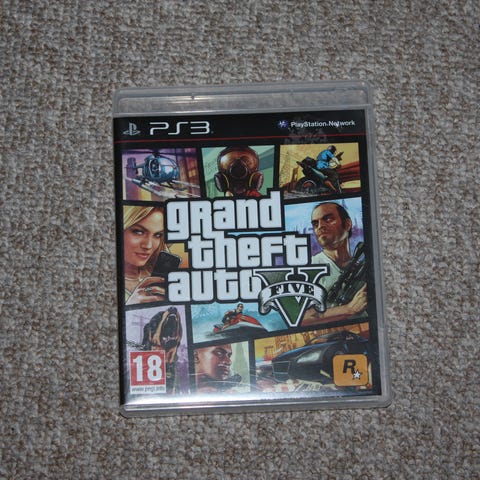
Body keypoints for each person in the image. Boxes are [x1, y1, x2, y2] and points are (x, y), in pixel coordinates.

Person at [302, 202, 367, 326]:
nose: (320, 226)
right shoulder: (310, 267)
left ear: (347, 224)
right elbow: (300, 318)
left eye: (328, 219)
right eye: (315, 224)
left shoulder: (360, 266)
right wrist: (348, 309)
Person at [123, 205, 169, 304]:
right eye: (138, 232)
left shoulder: (158, 277)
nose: (148, 246)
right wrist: (131, 305)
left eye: (157, 235)